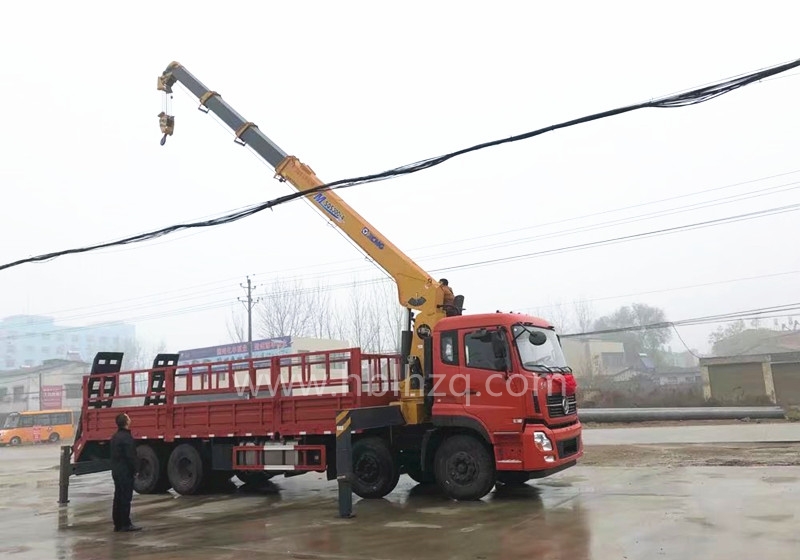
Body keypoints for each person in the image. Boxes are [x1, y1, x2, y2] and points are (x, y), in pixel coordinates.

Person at [110, 413, 142, 532]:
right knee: (125, 498)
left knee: (118, 497)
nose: (130, 419)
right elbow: (131, 456)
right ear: (126, 422)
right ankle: (125, 524)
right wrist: (136, 469)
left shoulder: (115, 436)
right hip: (125, 472)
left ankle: (117, 523)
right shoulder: (126, 438)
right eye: (128, 417)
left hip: (117, 471)